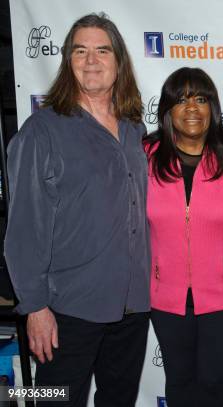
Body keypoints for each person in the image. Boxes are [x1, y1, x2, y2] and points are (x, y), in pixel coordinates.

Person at [4, 13, 149, 406]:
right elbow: (22, 230)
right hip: (69, 309)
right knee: (55, 400)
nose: (91, 60)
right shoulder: (42, 131)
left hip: (132, 305)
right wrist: (35, 307)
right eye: (79, 51)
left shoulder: (135, 130)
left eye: (102, 50)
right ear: (68, 61)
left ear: (118, 61)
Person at [144, 67, 223, 407]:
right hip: (164, 294)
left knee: (213, 380)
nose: (192, 108)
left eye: (201, 99)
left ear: (213, 108)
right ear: (167, 110)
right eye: (181, 99)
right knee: (178, 379)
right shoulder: (143, 154)